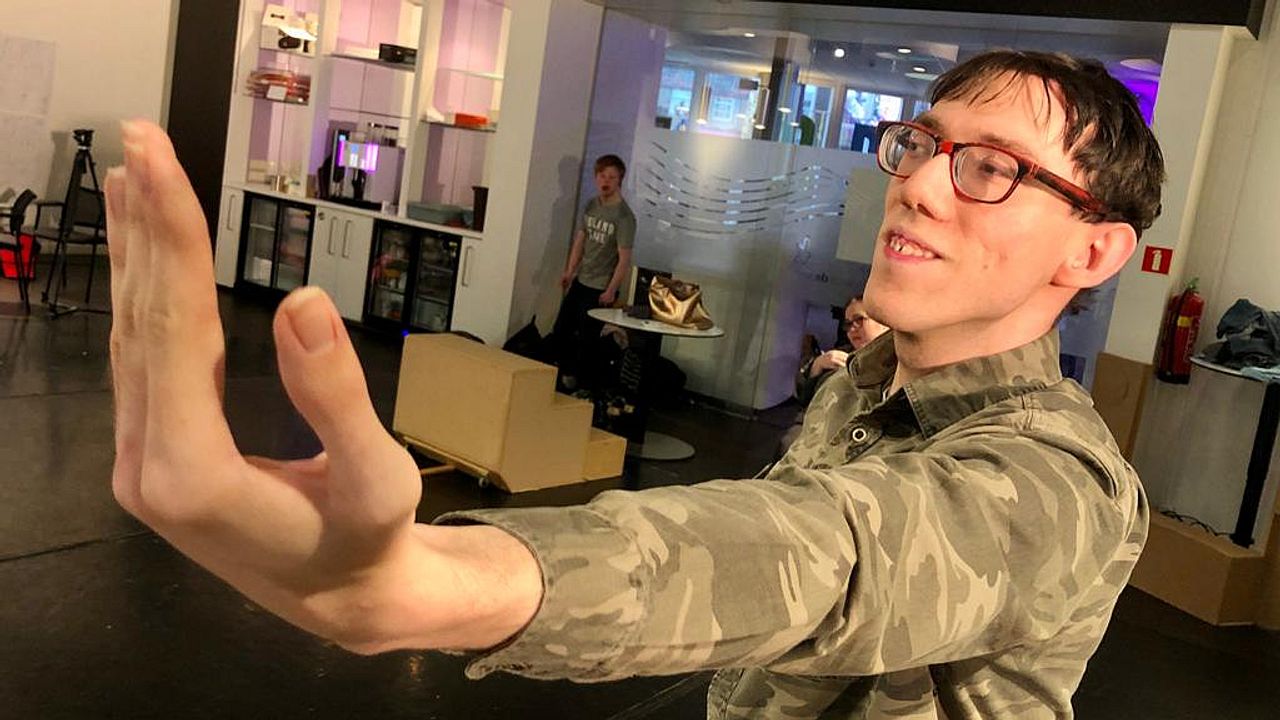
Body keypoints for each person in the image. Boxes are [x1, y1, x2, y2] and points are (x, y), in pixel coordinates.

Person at [105, 48, 1162, 719]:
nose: (919, 185)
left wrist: (447, 580)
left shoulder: (1064, 481)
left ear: (1092, 252)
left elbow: (830, 557)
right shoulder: (861, 385)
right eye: (921, 145)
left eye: (992, 168)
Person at [552, 154, 636, 392]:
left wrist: (611, 289)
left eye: (611, 177)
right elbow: (581, 241)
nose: (605, 181)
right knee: (562, 329)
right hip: (582, 280)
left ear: (619, 180)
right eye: (602, 176)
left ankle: (583, 386)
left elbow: (624, 259)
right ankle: (564, 375)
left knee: (588, 338)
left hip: (600, 287)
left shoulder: (624, 217)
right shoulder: (591, 205)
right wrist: (570, 271)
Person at [777, 297, 889, 457]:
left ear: (883, 322)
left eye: (859, 320)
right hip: (810, 432)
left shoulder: (896, 366)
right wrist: (816, 366)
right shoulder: (838, 356)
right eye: (848, 324)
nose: (852, 329)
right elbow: (803, 397)